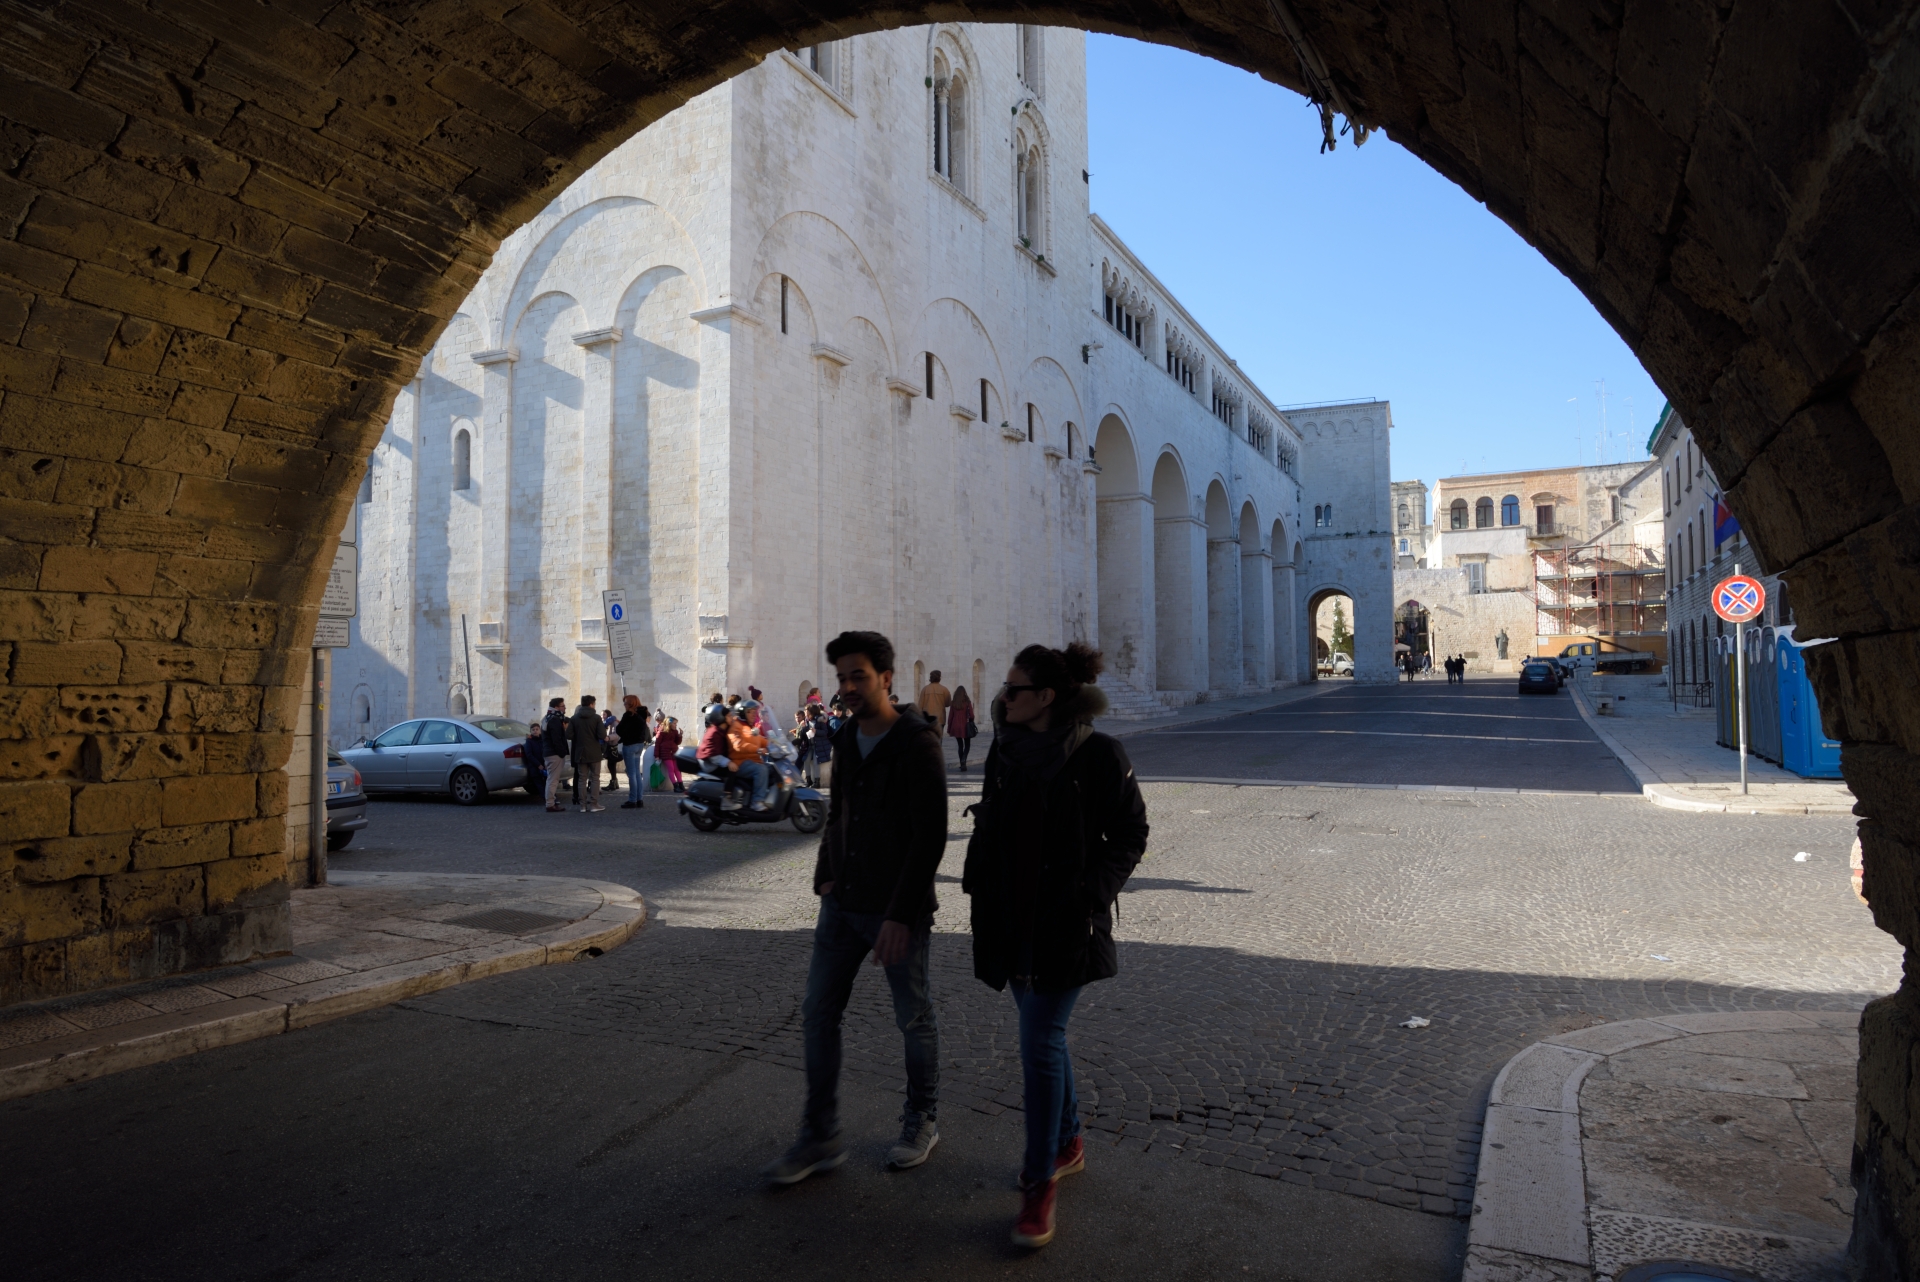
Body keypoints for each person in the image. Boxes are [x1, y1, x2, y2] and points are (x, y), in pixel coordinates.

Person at [964, 642, 1147, 1249]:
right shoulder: (1005, 749)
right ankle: (1068, 1143)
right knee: (1047, 1038)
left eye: (1013, 689)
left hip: (1067, 923)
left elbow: (1131, 830)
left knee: (1040, 1043)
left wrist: (1092, 893)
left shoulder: (1099, 754)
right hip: (1008, 919)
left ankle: (1040, 1180)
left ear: (1044, 698)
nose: (1002, 698)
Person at [765, 630, 947, 1186]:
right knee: (818, 1013)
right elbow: (838, 813)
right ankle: (820, 1133)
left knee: (912, 1018)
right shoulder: (843, 739)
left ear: (887, 678)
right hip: (841, 905)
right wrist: (826, 873)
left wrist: (899, 914)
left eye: (857, 676)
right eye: (841, 677)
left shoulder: (917, 742)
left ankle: (922, 1118)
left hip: (896, 911)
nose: (846, 688)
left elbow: (930, 836)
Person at [728, 701, 773, 811]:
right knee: (761, 770)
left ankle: (769, 797)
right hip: (740, 761)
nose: (754, 714)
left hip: (753, 760)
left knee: (773, 767)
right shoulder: (736, 726)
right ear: (742, 713)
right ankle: (756, 801)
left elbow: (759, 739)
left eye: (755, 712)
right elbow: (739, 745)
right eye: (750, 712)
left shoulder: (749, 727)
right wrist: (758, 750)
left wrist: (774, 744)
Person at [570, 694, 606, 812]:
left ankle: (582, 805)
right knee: (595, 778)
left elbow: (568, 735)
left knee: (582, 779)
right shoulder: (596, 718)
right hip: (594, 752)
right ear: (591, 704)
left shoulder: (575, 718)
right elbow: (602, 735)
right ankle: (594, 804)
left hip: (580, 752)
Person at [617, 695, 652, 809]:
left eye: (626, 703)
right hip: (639, 744)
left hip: (630, 745)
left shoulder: (628, 715)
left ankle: (632, 800)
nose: (624, 705)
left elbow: (620, 730)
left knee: (631, 773)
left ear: (631, 704)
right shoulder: (642, 714)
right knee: (637, 772)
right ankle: (639, 799)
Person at [541, 697, 573, 813]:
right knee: (553, 780)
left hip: (549, 753)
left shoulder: (547, 718)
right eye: (563, 706)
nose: (565, 708)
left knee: (551, 779)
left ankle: (551, 801)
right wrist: (562, 753)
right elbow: (557, 739)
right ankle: (550, 804)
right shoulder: (554, 720)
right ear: (556, 707)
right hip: (554, 754)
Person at [948, 684, 978, 771]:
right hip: (965, 725)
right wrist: (971, 719)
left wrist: (949, 728)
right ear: (964, 693)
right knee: (967, 744)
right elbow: (971, 715)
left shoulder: (953, 703)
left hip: (955, 725)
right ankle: (964, 760)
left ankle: (962, 763)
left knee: (960, 745)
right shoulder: (967, 702)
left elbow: (950, 717)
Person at [655, 716, 684, 792]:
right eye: (674, 723)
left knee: (677, 769)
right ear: (669, 723)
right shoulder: (662, 731)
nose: (676, 725)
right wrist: (656, 755)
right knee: (671, 769)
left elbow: (677, 742)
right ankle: (675, 786)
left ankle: (681, 784)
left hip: (674, 752)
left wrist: (680, 735)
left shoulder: (675, 731)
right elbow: (657, 743)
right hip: (665, 753)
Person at [522, 714, 548, 798]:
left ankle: (550, 797)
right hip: (534, 767)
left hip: (544, 765)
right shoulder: (529, 742)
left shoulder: (543, 740)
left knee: (547, 783)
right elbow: (529, 755)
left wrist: (545, 763)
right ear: (531, 731)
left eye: (537, 729)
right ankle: (546, 799)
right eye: (533, 730)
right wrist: (538, 765)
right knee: (539, 783)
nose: (535, 731)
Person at [918, 669, 951, 734]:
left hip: (927, 718)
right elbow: (948, 703)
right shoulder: (944, 689)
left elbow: (920, 705)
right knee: (939, 739)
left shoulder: (925, 689)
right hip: (940, 718)